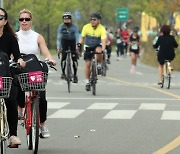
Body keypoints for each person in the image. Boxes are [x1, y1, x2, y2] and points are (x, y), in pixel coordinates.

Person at [16, 9, 56, 138]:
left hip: (34, 70)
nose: (24, 22)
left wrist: (50, 59)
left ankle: (42, 125)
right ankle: (20, 109)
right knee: (16, 89)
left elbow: (45, 51)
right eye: (21, 19)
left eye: (27, 19)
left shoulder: (37, 36)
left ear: (31, 21)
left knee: (42, 97)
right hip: (20, 69)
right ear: (19, 21)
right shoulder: (15, 36)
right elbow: (11, 53)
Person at [0, 8, 26, 147]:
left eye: (0, 17)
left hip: (5, 75)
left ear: (5, 21)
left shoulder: (10, 38)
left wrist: (20, 61)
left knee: (11, 100)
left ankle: (13, 135)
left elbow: (17, 55)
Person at [77, 12, 106, 91]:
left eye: (94, 20)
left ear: (98, 21)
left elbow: (103, 40)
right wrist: (79, 44)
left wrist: (103, 49)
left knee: (99, 51)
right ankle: (87, 82)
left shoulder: (102, 28)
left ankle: (99, 65)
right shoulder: (86, 27)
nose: (92, 21)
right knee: (88, 64)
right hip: (88, 46)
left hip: (97, 45)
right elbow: (82, 38)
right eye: (91, 20)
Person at [57, 12, 79, 83]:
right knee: (64, 57)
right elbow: (59, 38)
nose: (66, 21)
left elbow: (77, 36)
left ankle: (75, 75)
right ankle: (63, 73)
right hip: (64, 42)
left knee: (74, 59)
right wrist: (58, 48)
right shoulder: (61, 27)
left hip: (73, 42)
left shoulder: (74, 26)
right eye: (65, 19)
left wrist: (77, 46)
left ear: (71, 19)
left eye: (68, 19)